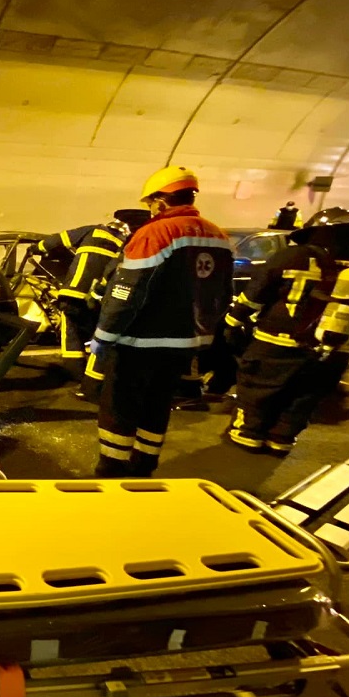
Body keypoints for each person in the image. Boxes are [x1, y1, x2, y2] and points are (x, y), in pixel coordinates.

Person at [91, 167, 233, 477]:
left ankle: (112, 469)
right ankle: (144, 465)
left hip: (139, 342)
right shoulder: (218, 236)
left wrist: (104, 335)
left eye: (150, 204)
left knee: (120, 404)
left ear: (160, 201)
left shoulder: (156, 232)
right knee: (157, 403)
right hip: (183, 344)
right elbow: (223, 294)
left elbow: (128, 291)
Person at [221, 207, 349, 455]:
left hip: (278, 343)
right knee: (306, 394)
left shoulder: (292, 257)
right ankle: (282, 437)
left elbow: (256, 294)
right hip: (335, 350)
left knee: (258, 387)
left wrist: (233, 321)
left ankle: (249, 433)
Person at [37, 209, 151, 374]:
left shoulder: (93, 230)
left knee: (71, 331)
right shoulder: (124, 244)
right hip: (97, 299)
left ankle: (75, 370)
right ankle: (95, 370)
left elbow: (57, 240)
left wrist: (37, 247)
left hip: (73, 293)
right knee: (96, 332)